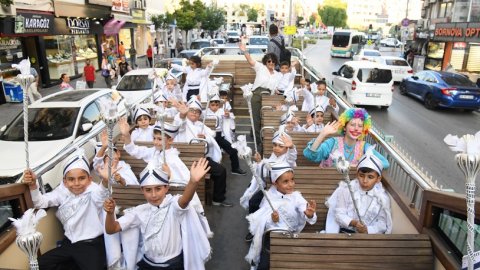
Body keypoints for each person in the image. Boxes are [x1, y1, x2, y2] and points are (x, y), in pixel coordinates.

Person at [103, 158, 212, 270]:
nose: (154, 195)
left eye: (158, 188)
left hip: (173, 264)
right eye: (148, 190)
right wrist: (110, 214)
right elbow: (111, 229)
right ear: (142, 191)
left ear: (166, 188)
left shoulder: (173, 205)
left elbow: (184, 201)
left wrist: (193, 182)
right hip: (148, 264)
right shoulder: (139, 211)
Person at [22, 149, 109, 270]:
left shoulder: (94, 190)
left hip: (90, 244)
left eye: (81, 178)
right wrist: (33, 185)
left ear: (89, 179)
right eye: (71, 179)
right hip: (69, 243)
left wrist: (105, 181)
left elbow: (101, 196)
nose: (76, 183)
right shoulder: (62, 191)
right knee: (39, 264)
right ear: (65, 181)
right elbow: (40, 202)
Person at [245, 162, 317, 269]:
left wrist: (310, 215)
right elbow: (263, 221)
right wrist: (273, 220)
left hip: (292, 237)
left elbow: (305, 210)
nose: (291, 184)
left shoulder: (296, 197)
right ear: (275, 183)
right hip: (273, 238)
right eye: (286, 181)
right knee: (264, 266)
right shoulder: (268, 197)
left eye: (292, 179)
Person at [174, 96, 232, 207]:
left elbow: (213, 135)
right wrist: (182, 114)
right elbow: (178, 125)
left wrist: (205, 136)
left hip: (201, 157)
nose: (194, 113)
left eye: (197, 112)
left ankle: (217, 198)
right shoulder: (183, 123)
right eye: (191, 110)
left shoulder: (200, 125)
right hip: (185, 157)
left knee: (221, 171)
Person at [240, 131, 298, 241]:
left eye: (281, 146)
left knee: (266, 209)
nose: (276, 148)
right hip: (271, 189)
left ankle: (265, 229)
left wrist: (292, 147)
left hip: (283, 192)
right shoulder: (273, 156)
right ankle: (254, 228)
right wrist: (259, 162)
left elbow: (292, 157)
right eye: (274, 145)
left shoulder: (288, 159)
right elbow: (265, 172)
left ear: (286, 149)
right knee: (253, 202)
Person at [325, 145, 392, 234]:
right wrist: (354, 223)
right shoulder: (346, 190)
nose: (365, 181)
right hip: (345, 233)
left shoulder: (382, 198)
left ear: (378, 179)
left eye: (370, 177)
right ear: (357, 174)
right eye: (361, 175)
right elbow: (339, 214)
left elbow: (382, 224)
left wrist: (367, 230)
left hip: (368, 237)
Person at [303, 108, 389, 168]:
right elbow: (311, 155)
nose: (356, 128)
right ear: (344, 127)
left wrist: (362, 165)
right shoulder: (332, 143)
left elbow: (385, 163)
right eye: (352, 124)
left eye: (360, 126)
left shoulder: (365, 147)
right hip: (327, 185)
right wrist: (322, 134)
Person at [239, 41, 281, 152]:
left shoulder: (278, 75)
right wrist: (244, 50)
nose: (271, 63)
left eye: (273, 61)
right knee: (256, 118)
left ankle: (254, 132)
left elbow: (279, 87)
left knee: (266, 118)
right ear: (266, 62)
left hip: (269, 97)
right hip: (257, 94)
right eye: (269, 61)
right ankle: (259, 142)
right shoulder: (260, 68)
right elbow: (250, 60)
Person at [204, 94, 246, 175]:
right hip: (208, 137)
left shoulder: (221, 111)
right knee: (211, 154)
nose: (215, 107)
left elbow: (232, 117)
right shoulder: (204, 112)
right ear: (209, 105)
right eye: (212, 105)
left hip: (219, 136)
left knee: (233, 151)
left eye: (217, 105)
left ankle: (235, 168)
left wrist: (228, 115)